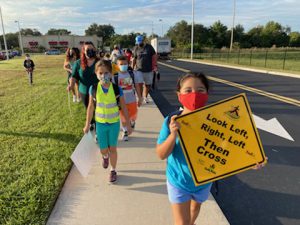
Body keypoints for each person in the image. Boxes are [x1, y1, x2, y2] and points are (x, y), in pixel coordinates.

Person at [156, 72, 267, 225]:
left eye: (200, 90)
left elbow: (229, 149)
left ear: (207, 94)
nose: (194, 94)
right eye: (188, 90)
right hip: (179, 181)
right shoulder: (171, 120)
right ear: (179, 95)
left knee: (194, 209)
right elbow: (161, 154)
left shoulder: (217, 122)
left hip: (204, 181)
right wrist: (173, 134)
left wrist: (250, 160)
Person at [83, 60, 132, 183]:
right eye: (100, 73)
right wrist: (87, 124)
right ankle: (105, 156)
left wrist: (128, 124)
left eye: (106, 73)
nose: (103, 75)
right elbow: (90, 107)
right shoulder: (93, 89)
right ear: (96, 73)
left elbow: (124, 107)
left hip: (114, 124)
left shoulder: (116, 89)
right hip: (100, 124)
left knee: (113, 149)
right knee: (103, 149)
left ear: (111, 73)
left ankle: (113, 170)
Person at [67, 41, 99, 129]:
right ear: (84, 51)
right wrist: (71, 85)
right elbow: (74, 76)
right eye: (88, 49)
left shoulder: (99, 62)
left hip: (98, 91)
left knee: (98, 109)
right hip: (84, 91)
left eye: (92, 49)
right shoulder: (78, 63)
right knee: (88, 108)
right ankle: (91, 122)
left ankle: (98, 124)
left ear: (95, 49)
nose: (90, 51)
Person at [114, 55, 143, 141]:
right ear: (117, 65)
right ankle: (125, 131)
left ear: (128, 63)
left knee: (133, 115)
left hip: (132, 100)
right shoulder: (115, 76)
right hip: (121, 101)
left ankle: (132, 121)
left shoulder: (132, 74)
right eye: (121, 64)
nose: (123, 65)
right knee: (123, 117)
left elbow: (137, 86)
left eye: (125, 63)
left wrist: (140, 98)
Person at [132, 35, 157, 104]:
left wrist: (155, 66)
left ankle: (145, 97)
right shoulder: (136, 48)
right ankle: (140, 98)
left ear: (143, 41)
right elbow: (134, 59)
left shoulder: (149, 47)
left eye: (140, 42)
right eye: (138, 42)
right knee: (139, 84)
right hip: (139, 70)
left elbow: (154, 56)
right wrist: (132, 68)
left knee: (148, 85)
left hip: (148, 70)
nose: (139, 43)